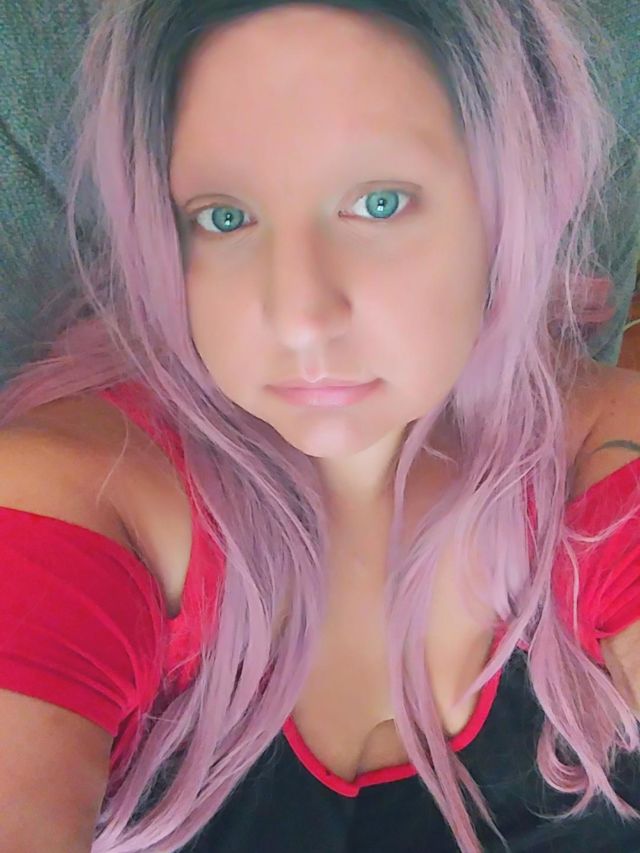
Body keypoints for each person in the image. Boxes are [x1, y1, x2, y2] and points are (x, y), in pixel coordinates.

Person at [0, 1, 639, 851]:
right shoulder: (77, 498)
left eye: (379, 202)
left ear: (506, 206)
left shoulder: (601, 451)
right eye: (224, 217)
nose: (298, 316)